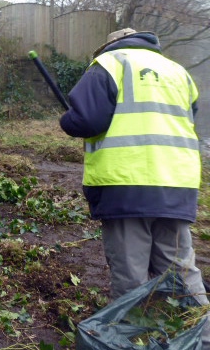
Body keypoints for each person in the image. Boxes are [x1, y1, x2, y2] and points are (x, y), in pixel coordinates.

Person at [59, 29, 209, 311]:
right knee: (180, 270)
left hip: (127, 182)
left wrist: (66, 119)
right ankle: (199, 336)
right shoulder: (179, 72)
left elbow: (85, 120)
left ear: (110, 45)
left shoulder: (109, 64)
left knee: (131, 274)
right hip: (178, 183)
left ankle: (135, 337)